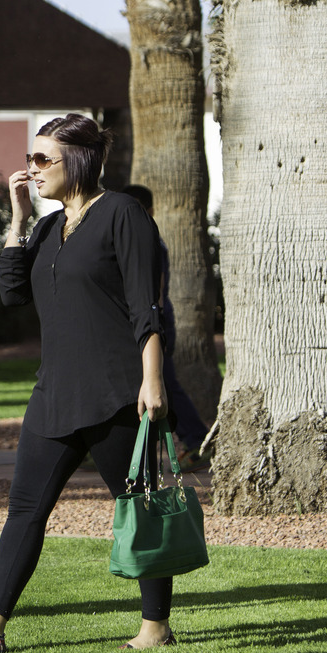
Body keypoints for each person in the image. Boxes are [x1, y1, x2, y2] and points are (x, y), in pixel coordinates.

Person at [0, 114, 177, 653]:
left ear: (82, 160)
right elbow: (12, 292)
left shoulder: (122, 214)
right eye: (30, 158)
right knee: (25, 508)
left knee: (137, 505)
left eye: (44, 159)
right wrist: (19, 217)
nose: (32, 168)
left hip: (118, 392)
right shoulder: (48, 226)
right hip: (54, 393)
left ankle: (156, 625)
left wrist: (153, 379)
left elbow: (146, 305)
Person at [121, 184, 212, 472]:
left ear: (150, 211)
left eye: (136, 209)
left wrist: (153, 323)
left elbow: (155, 291)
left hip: (156, 322)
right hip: (147, 321)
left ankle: (197, 440)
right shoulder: (134, 241)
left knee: (164, 384)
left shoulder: (151, 243)